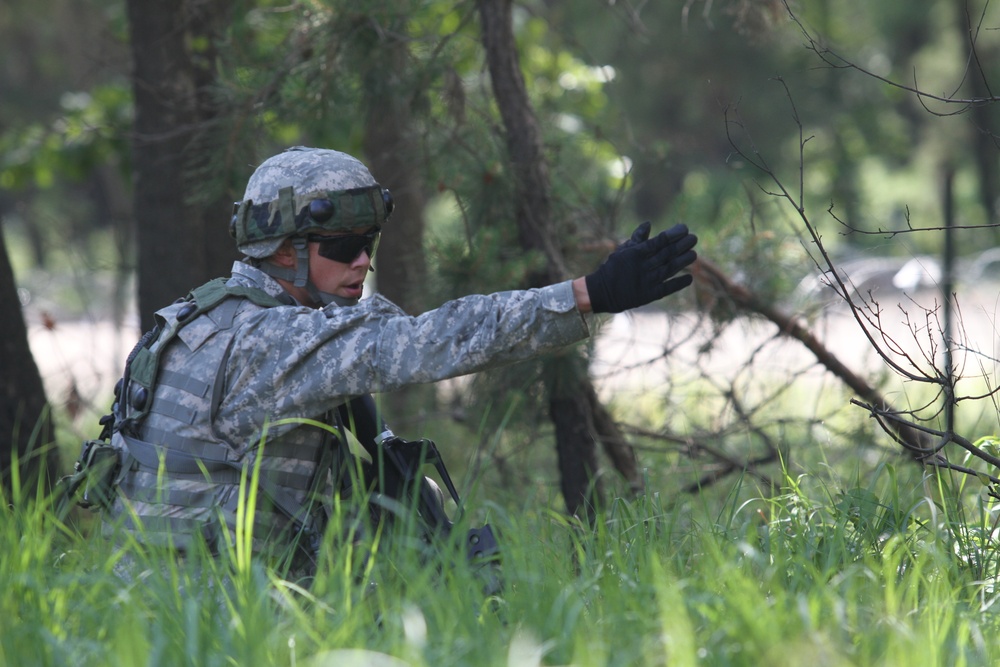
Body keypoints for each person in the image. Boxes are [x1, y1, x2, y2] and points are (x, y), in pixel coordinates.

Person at [101, 146, 697, 577]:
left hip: (149, 597)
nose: (361, 261)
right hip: (215, 610)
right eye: (341, 246)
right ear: (282, 250)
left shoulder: (196, 316)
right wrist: (587, 294)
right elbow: (434, 340)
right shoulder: (274, 339)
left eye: (369, 243)